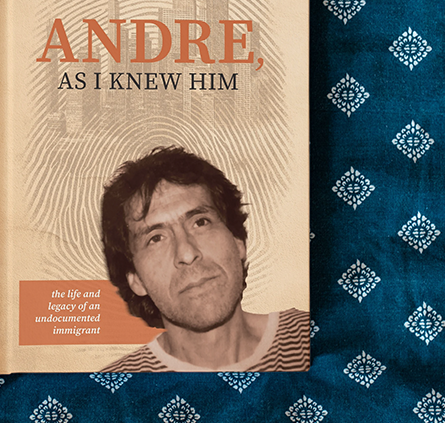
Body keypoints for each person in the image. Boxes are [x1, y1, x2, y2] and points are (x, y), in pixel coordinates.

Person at [99, 146, 309, 372]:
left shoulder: (317, 339)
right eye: (156, 238)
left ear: (238, 242)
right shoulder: (114, 388)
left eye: (200, 222)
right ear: (136, 279)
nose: (187, 253)